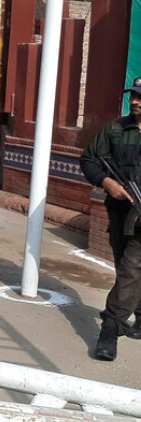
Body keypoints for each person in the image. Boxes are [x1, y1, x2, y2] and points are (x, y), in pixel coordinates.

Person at [79, 77, 141, 361]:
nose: (135, 101)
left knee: (131, 270)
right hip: (120, 214)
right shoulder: (116, 129)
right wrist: (106, 182)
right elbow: (89, 159)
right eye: (134, 96)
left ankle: (109, 331)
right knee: (125, 269)